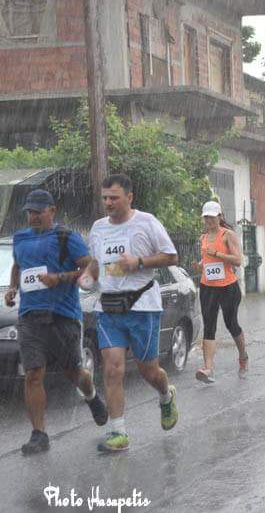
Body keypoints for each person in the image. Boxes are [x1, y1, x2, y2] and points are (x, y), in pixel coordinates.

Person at [79, 174, 179, 453]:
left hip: (142, 306)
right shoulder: (98, 228)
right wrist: (87, 275)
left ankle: (165, 394)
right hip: (109, 307)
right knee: (112, 369)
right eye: (105, 198)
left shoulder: (146, 222)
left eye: (114, 197)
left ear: (129, 197)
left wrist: (140, 262)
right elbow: (96, 263)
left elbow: (171, 256)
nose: (108, 203)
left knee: (149, 371)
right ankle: (118, 432)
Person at [6, 190, 108, 454]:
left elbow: (91, 270)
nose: (33, 216)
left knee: (73, 372)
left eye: (39, 211)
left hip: (63, 315)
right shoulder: (20, 237)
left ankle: (92, 396)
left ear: (52, 210)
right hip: (29, 316)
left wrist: (59, 278)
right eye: (30, 211)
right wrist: (11, 289)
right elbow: (18, 265)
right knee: (33, 374)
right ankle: (39, 434)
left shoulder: (66, 237)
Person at [195, 200, 248, 384]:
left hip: (228, 287)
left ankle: (243, 355)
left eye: (212, 216)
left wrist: (216, 254)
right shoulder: (202, 238)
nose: (209, 220)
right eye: (206, 217)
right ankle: (208, 368)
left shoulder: (227, 235)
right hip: (208, 287)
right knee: (209, 326)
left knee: (231, 323)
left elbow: (237, 260)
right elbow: (206, 260)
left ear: (220, 216)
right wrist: (201, 264)